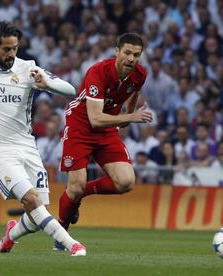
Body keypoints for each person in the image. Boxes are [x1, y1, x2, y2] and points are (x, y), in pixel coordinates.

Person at [0, 21, 86, 256]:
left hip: (25, 146)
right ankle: (72, 244)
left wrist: (48, 84)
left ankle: (9, 237)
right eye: (6, 49)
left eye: (15, 48)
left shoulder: (28, 69)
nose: (12, 54)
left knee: (37, 214)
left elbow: (71, 90)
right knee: (32, 200)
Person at [55, 33, 153, 250]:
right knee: (75, 184)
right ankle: (60, 237)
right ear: (116, 51)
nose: (131, 59)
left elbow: (134, 90)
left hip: (107, 129)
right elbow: (95, 119)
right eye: (127, 53)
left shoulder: (139, 74)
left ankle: (79, 195)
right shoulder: (98, 72)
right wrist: (130, 117)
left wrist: (130, 111)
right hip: (81, 125)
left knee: (126, 182)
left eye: (136, 55)